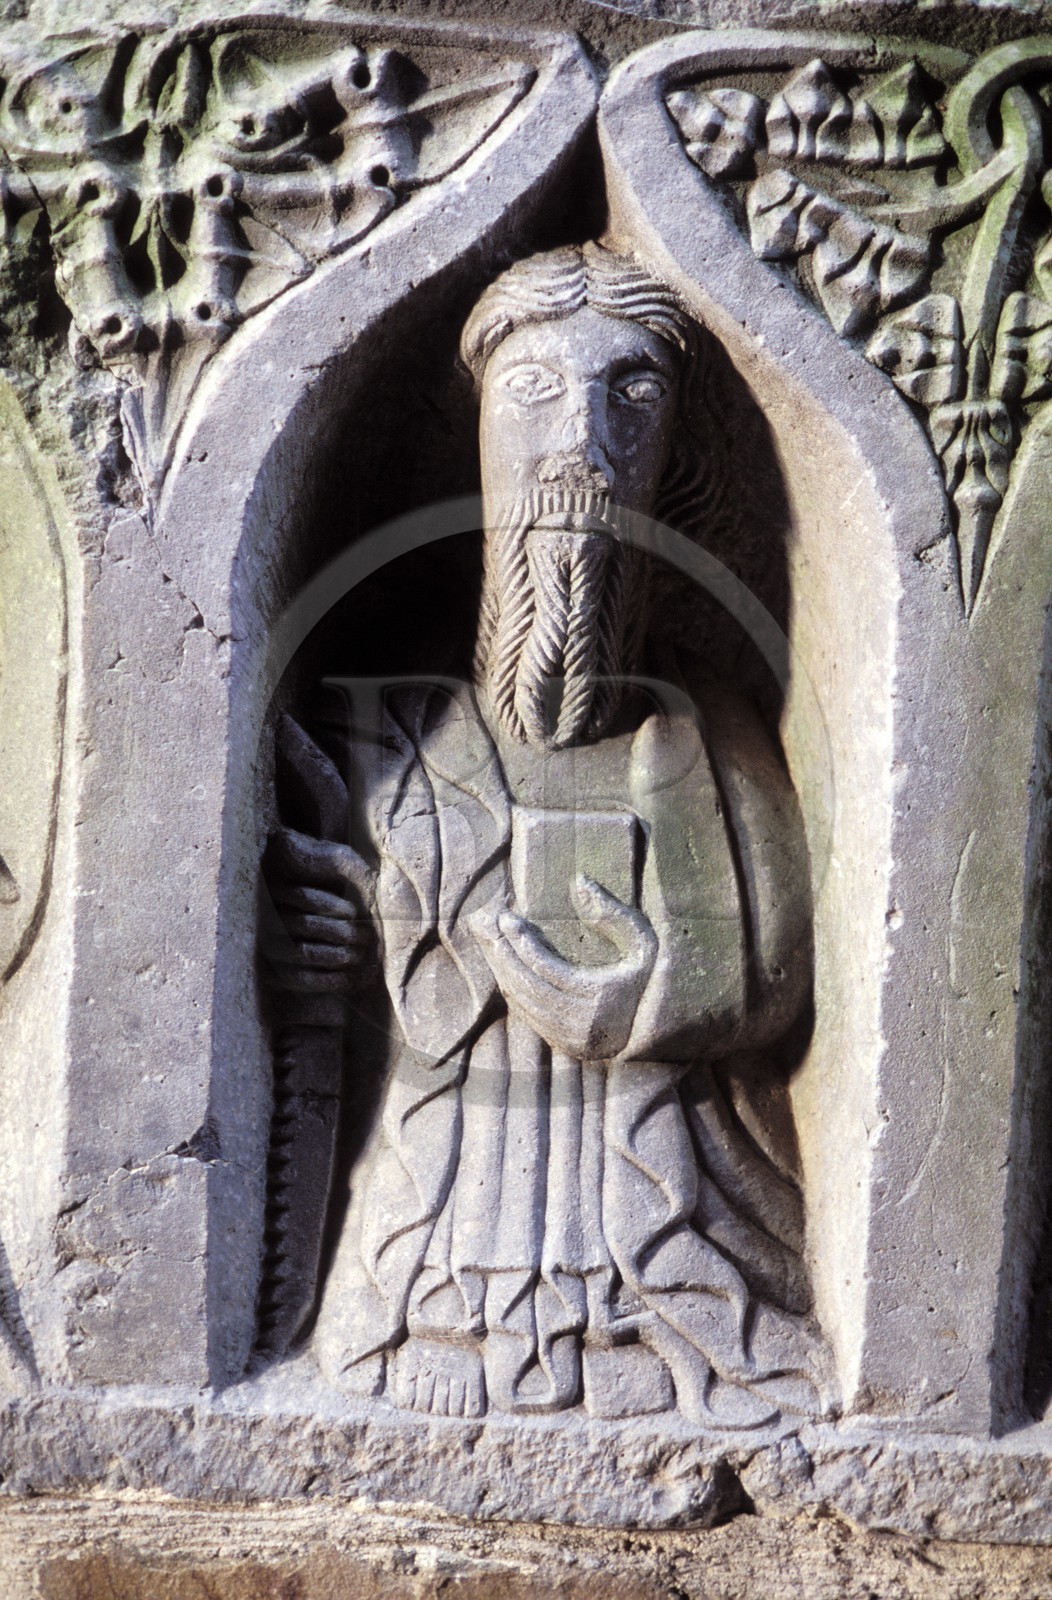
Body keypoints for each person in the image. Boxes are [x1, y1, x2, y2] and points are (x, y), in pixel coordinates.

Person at [265, 242, 831, 1426]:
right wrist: (320, 961)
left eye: (629, 397)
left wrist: (639, 1004)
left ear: (669, 449)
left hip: (663, 1225)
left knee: (684, 1317)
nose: (582, 438)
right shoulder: (389, 734)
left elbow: (772, 966)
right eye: (534, 393)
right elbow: (351, 990)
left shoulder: (705, 728)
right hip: (432, 1222)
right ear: (479, 434)